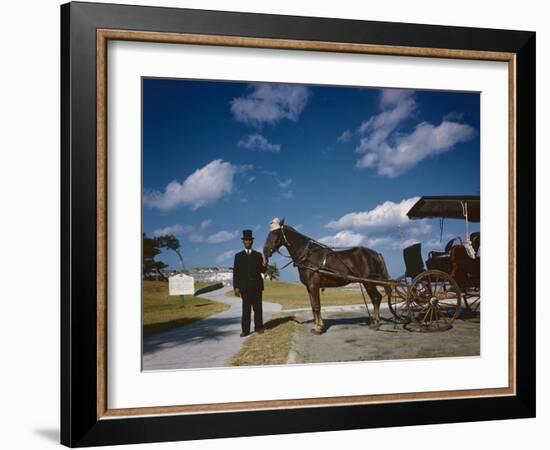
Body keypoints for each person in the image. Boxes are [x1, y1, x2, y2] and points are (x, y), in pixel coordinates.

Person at [232, 229, 268, 337]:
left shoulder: (258, 255)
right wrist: (236, 287)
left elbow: (263, 270)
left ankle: (259, 327)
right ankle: (245, 330)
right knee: (246, 310)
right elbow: (236, 273)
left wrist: (266, 263)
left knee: (258, 309)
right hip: (245, 288)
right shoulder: (238, 256)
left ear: (252, 242)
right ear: (243, 242)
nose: (248, 242)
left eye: (249, 240)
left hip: (257, 286)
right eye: (246, 240)